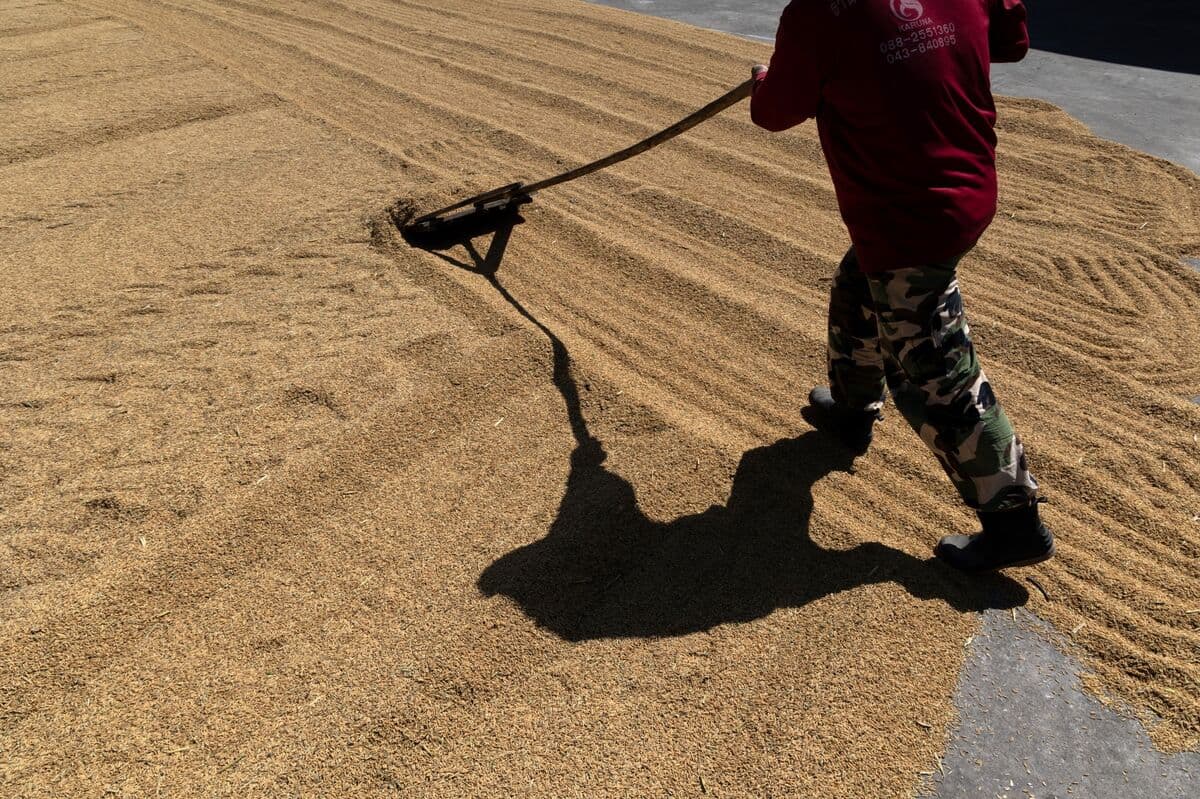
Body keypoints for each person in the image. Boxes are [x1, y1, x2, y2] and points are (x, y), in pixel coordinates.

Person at [750, 0, 1053, 573]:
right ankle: (852, 408)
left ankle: (1014, 523)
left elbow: (773, 112)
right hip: (963, 184)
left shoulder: (818, 15)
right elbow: (1010, 41)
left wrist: (766, 79)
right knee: (861, 286)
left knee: (933, 369)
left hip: (908, 214)